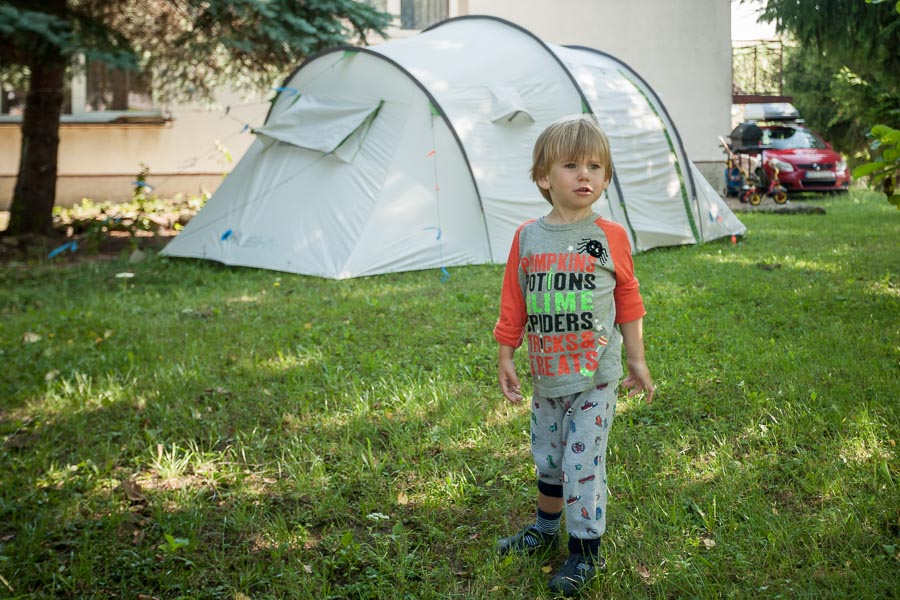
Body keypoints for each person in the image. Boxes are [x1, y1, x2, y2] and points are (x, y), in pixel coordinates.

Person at [493, 114, 655, 596]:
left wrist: (636, 360)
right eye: (570, 165)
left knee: (581, 462)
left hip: (594, 377)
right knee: (547, 457)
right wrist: (506, 353)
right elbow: (514, 298)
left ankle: (585, 551)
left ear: (605, 178)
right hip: (546, 376)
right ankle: (544, 529)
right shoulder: (528, 237)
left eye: (595, 167)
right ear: (544, 177)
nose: (585, 175)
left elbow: (629, 298)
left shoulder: (610, 237)